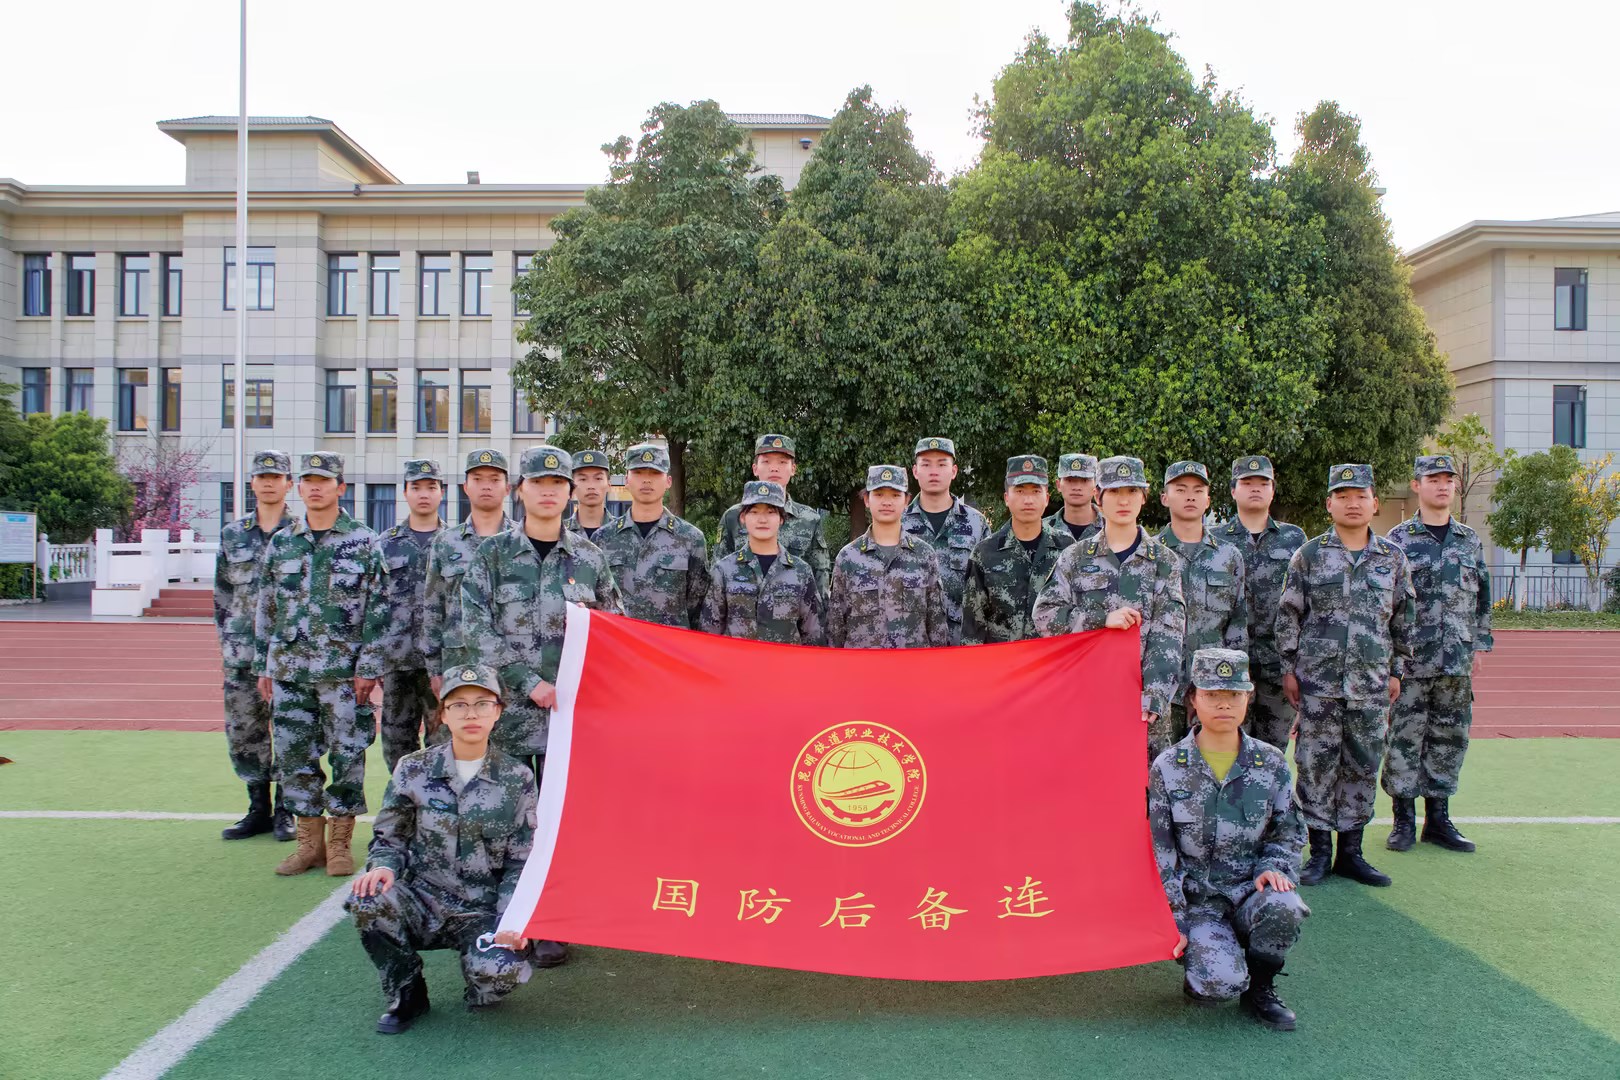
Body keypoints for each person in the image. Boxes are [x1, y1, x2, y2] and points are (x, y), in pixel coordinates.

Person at [460, 445, 624, 970]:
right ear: (521, 491)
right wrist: (527, 683)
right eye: (539, 483)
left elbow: (615, 629)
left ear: (570, 493)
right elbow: (476, 630)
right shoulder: (491, 556)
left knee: (561, 820)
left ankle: (553, 920)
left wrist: (591, 687)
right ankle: (506, 916)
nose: (549, 492)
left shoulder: (590, 559)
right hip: (508, 716)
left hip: (569, 718)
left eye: (558, 484)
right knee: (505, 816)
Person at [347, 664, 537, 1033]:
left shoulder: (517, 778)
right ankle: (407, 990)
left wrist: (511, 920)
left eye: (482, 704)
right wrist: (383, 866)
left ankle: (477, 976)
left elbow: (520, 860)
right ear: (443, 714)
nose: (471, 714)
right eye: (459, 705)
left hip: (480, 909)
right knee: (368, 900)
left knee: (500, 973)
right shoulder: (412, 769)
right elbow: (390, 836)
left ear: (497, 712)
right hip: (423, 898)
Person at [1149, 648, 1307, 1032]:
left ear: (1248, 698)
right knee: (1219, 985)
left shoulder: (1270, 763)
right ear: (1193, 698)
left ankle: (1262, 988)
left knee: (1285, 904)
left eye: (1234, 695)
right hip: (1200, 903)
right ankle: (1213, 961)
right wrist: (1175, 919)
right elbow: (1161, 851)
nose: (1224, 705)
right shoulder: (1169, 767)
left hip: (1251, 893)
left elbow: (1288, 831)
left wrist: (1274, 867)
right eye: (1212, 695)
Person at [1275, 464, 1415, 888]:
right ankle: (1319, 852)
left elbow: (1403, 618)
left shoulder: (1392, 558)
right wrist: (1288, 668)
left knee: (1362, 763)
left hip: (1370, 684)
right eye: (1343, 495)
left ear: (1375, 503)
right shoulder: (1309, 555)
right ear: (1329, 504)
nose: (1352, 503)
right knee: (1314, 765)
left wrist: (1397, 670)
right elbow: (1289, 615)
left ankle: (1351, 853)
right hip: (1318, 684)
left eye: (1360, 496)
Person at [253, 452, 388, 877]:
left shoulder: (364, 541)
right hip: (290, 670)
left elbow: (378, 609)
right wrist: (264, 665)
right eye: (309, 480)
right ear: (299, 487)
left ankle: (340, 842)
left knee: (348, 756)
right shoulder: (283, 543)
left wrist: (369, 666)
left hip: (344, 673)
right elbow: (266, 607)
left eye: (324, 481)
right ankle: (309, 844)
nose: (315, 487)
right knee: (294, 756)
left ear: (340, 488)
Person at [1034, 455, 1186, 759]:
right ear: (1098, 497)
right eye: (1114, 492)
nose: (1124, 500)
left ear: (1144, 497)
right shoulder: (1075, 557)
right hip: (1084, 700)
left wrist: (1155, 694)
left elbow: (1168, 635)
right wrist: (1101, 619)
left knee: (1144, 783)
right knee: (1085, 778)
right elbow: (1045, 615)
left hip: (1143, 705)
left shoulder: (1163, 561)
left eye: (1132, 491)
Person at [1381, 454, 1493, 854]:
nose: (1442, 485)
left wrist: (1479, 644)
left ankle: (1439, 820)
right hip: (1411, 661)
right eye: (1433, 479)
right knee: (1404, 739)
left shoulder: (1469, 540)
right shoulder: (1398, 540)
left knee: (1449, 738)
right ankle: (1403, 820)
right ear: (1417, 486)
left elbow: (1482, 596)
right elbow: (1388, 603)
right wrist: (1392, 657)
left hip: (1455, 660)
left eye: (1448, 479)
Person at [213, 449, 296, 842]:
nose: (268, 483)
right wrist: (228, 640)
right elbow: (222, 595)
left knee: (291, 730)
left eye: (276, 477)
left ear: (288, 484)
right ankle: (257, 807)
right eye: (262, 477)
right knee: (245, 730)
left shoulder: (300, 532)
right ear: (252, 483)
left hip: (289, 653)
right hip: (242, 654)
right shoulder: (233, 535)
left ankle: (286, 809)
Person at [1214, 456, 1308, 750]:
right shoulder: (1216, 540)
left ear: (1272, 490)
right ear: (1233, 490)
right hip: (1228, 663)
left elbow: (1304, 604)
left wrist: (1297, 666)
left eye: (1263, 483)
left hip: (1277, 665)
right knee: (1228, 747)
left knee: (1272, 751)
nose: (1255, 488)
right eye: (1247, 482)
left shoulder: (1294, 538)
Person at [1159, 461, 1247, 744]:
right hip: (1162, 687)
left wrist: (1232, 683)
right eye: (1181, 489)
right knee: (1158, 765)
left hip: (1213, 688)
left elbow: (1237, 623)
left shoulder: (1229, 556)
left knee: (1210, 762)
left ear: (1208, 500)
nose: (1190, 496)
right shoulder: (1150, 553)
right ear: (1164, 497)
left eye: (1198, 490)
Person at [372, 459, 445, 772]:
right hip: (396, 662)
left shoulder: (453, 543)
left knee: (443, 743)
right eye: (416, 487)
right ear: (405, 492)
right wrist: (374, 658)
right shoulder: (385, 544)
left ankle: (437, 802)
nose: (424, 494)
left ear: (442, 492)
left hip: (440, 664)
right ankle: (403, 800)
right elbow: (373, 605)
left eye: (431, 487)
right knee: (397, 744)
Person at [829, 466, 949, 649]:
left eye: (895, 495)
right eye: (878, 494)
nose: (886, 502)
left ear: (906, 501)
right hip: (862, 665)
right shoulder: (848, 558)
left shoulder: (924, 555)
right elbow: (836, 627)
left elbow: (936, 624)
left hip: (913, 664)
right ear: (866, 500)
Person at [422, 449, 512, 693]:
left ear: (507, 488)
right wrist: (434, 669)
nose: (486, 486)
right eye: (478, 479)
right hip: (459, 662)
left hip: (513, 662)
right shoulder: (445, 543)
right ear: (466, 487)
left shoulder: (521, 541)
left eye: (494, 480)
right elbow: (433, 608)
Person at [960, 456, 1076, 644]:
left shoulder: (1067, 548)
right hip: (1003, 660)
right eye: (1020, 491)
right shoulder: (985, 553)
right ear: (1007, 498)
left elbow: (1077, 612)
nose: (1028, 500)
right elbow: (973, 627)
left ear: (1046, 498)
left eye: (1036, 491)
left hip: (1053, 657)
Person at [595, 443, 710, 629]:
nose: (647, 480)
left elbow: (697, 607)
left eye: (655, 473)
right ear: (627, 479)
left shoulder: (690, 539)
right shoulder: (603, 538)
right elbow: (597, 603)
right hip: (619, 644)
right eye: (639, 473)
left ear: (668, 481)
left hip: (669, 645)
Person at [702, 481, 825, 645]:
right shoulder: (723, 570)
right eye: (754, 512)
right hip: (735, 660)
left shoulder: (801, 572)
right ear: (743, 518)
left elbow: (813, 634)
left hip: (785, 660)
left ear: (782, 519)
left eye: (770, 512)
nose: (762, 519)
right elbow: (709, 632)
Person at [714, 434, 832, 600]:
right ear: (755, 468)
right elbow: (717, 571)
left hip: (792, 611)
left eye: (782, 462)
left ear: (793, 469)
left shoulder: (809, 519)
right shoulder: (733, 516)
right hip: (742, 608)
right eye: (766, 462)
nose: (774, 468)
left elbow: (820, 574)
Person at [901, 437, 990, 643]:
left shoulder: (977, 524)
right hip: (912, 642)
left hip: (962, 643)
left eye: (942, 464)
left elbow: (988, 588)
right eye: (926, 465)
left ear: (954, 471)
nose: (934, 472)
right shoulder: (898, 523)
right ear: (915, 471)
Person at [1043, 453, 1102, 542]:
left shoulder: (1111, 527)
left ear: (1095, 485)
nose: (1076, 487)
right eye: (1069, 480)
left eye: (1084, 480)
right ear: (1058, 485)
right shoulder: (1041, 530)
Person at [563, 449, 614, 542]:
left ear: (608, 485)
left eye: (598, 478)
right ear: (572, 487)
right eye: (583, 479)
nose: (591, 486)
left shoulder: (623, 531)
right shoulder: (559, 533)